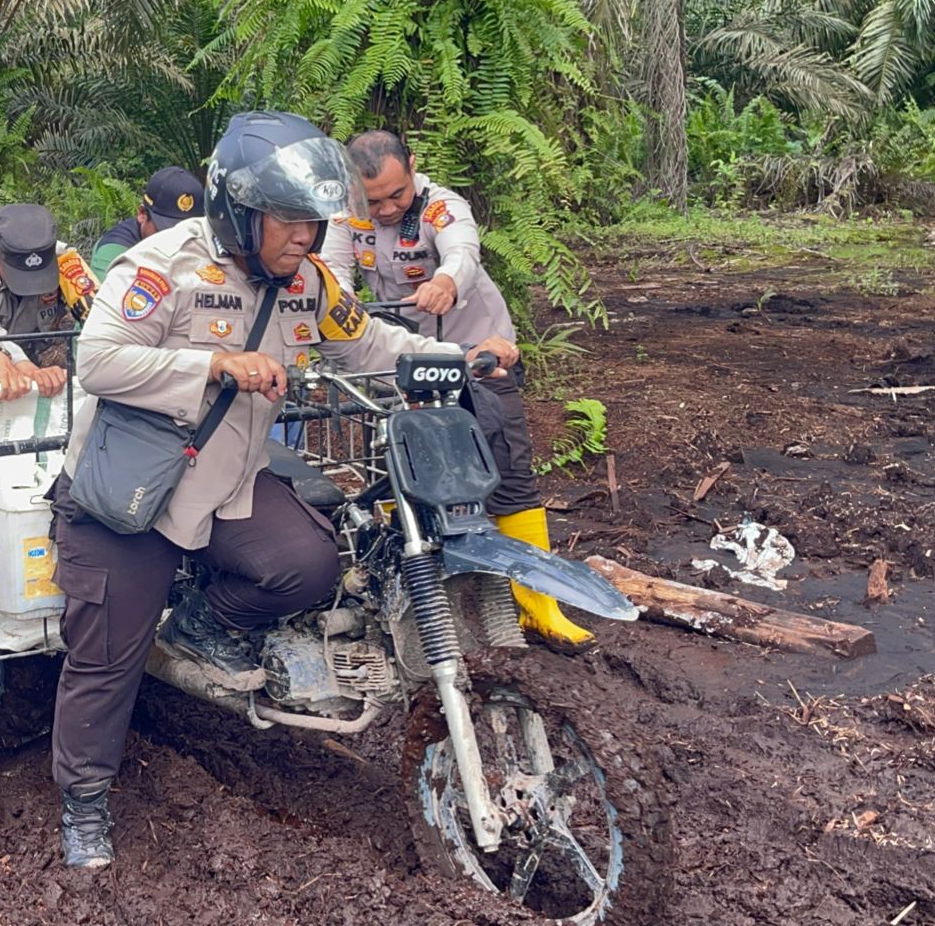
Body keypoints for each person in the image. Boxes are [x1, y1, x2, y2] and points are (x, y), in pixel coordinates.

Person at [46, 111, 517, 869]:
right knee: (105, 657)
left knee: (309, 565)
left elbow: (371, 342)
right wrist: (212, 365)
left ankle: (198, 622)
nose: (306, 238)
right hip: (130, 492)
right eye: (291, 223)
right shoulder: (163, 267)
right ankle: (85, 802)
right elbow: (98, 360)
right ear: (237, 208)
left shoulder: (309, 283)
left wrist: (459, 356)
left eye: (314, 224)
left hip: (225, 482)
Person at [318, 129, 593, 655]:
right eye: (370, 200)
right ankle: (419, 587)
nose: (383, 208)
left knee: (504, 460)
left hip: (476, 349)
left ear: (413, 168)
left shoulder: (440, 206)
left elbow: (463, 252)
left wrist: (447, 280)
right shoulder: (343, 217)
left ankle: (537, 604)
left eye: (395, 196)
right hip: (402, 352)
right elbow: (332, 275)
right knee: (403, 465)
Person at [0, 203, 99, 400]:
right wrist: (31, 372)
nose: (30, 286)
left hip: (33, 354)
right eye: (20, 276)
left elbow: (97, 312)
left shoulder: (64, 257)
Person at [88, 166, 205, 282]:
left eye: (184, 233)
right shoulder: (113, 250)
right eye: (165, 231)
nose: (175, 241)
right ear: (142, 214)